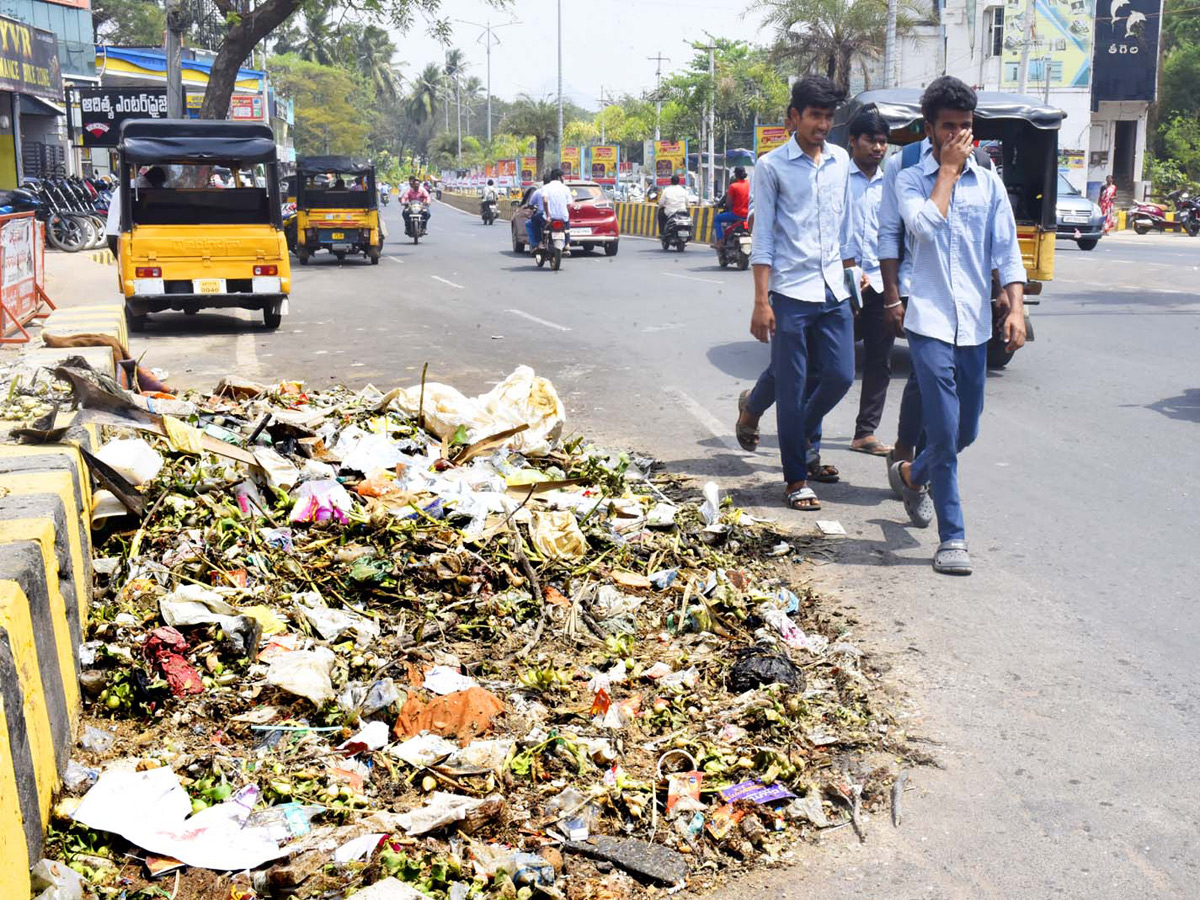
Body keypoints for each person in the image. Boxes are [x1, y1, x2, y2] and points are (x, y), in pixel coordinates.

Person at [887, 76, 1026, 575]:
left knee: (965, 429)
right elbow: (922, 228)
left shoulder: (988, 182)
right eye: (949, 127)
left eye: (966, 127)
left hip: (974, 322)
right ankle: (954, 538)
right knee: (944, 430)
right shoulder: (908, 178)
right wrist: (945, 173)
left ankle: (910, 473)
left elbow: (1006, 251)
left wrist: (1015, 309)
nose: (959, 137)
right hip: (928, 318)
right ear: (929, 129)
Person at [738, 74, 856, 512]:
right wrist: (760, 301)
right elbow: (763, 236)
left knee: (841, 375)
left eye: (828, 116)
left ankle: (778, 421)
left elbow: (844, 226)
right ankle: (795, 479)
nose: (822, 124)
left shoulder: (841, 161)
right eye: (814, 116)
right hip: (790, 291)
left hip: (833, 289)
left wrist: (853, 270)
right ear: (794, 117)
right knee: (791, 387)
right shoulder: (771, 167)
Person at [842, 108, 893, 456]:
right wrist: (847, 268)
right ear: (852, 142)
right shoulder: (834, 178)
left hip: (878, 284)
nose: (877, 147)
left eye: (882, 141)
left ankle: (865, 432)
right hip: (837, 282)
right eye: (870, 140)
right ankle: (800, 427)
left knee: (880, 360)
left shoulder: (892, 184)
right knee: (828, 364)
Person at [713, 166, 751, 244]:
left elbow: (728, 203)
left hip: (737, 214)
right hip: (749, 215)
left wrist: (728, 207)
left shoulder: (733, 186)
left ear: (736, 175)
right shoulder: (750, 185)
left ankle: (720, 240)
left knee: (717, 219)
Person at [525, 182, 546, 248]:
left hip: (543, 215)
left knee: (529, 223)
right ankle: (566, 243)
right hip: (558, 216)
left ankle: (537, 243)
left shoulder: (539, 192)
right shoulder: (560, 190)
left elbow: (531, 204)